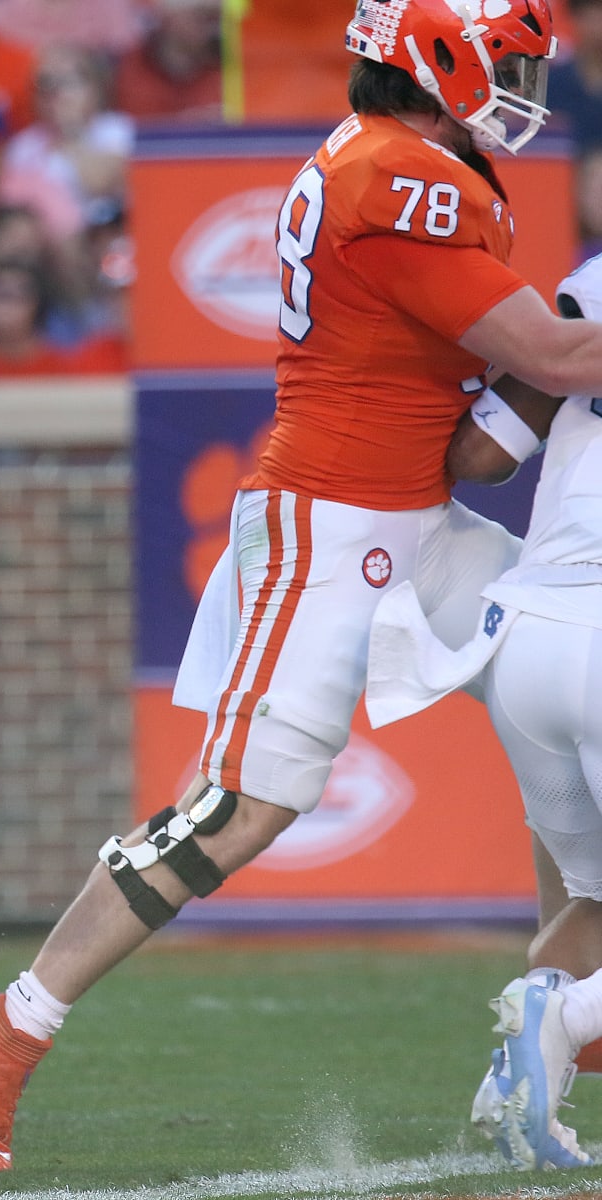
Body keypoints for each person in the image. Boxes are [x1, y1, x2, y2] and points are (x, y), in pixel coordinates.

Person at [0, 0, 602, 1172]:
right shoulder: (403, 174)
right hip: (328, 526)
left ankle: (560, 1002)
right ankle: (9, 1027)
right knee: (237, 812)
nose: (527, 83)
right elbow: (548, 355)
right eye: (509, 61)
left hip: (419, 515)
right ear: (436, 60)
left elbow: (485, 425)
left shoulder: (416, 163)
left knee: (554, 642)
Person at [363, 255, 602, 1173]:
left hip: (527, 631)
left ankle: (516, 1081)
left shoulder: (590, 285)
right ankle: (564, 1020)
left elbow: (480, 456)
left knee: (593, 900)